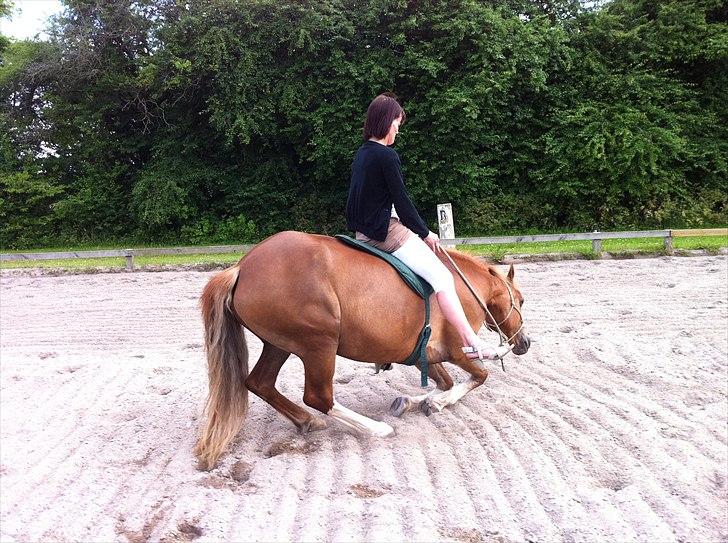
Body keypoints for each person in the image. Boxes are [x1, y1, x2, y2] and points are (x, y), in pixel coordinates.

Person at [345, 93, 507, 361]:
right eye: (397, 123)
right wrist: (425, 232)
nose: (398, 129)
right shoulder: (387, 156)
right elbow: (403, 203)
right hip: (386, 233)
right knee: (442, 278)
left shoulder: (362, 153)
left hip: (361, 234)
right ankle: (472, 342)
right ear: (387, 122)